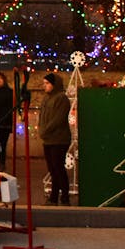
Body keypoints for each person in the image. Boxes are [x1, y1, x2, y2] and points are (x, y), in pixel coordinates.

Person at [38, 71, 72, 206]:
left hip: (59, 139)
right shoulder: (47, 98)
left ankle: (64, 196)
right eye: (44, 83)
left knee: (58, 168)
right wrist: (41, 129)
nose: (44, 86)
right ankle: (53, 196)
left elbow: (58, 119)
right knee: (52, 169)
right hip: (48, 139)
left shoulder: (61, 98)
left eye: (47, 83)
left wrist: (45, 130)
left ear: (54, 84)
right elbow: (42, 116)